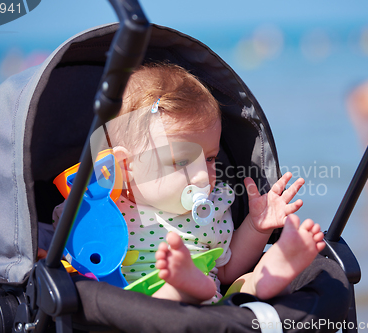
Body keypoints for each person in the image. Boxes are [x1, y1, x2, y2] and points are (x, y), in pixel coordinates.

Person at [56, 63, 325, 304]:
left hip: (213, 306)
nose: (201, 176)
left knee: (246, 281)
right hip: (138, 309)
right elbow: (71, 255)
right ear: (127, 167)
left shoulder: (213, 210)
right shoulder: (103, 209)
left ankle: (270, 272)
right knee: (162, 298)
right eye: (182, 162)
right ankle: (183, 288)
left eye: (209, 159)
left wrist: (257, 227)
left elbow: (226, 270)